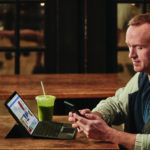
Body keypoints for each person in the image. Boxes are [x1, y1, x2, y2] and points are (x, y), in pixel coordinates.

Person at [68, 13, 150, 150]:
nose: (131, 55)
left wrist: (108, 134)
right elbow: (116, 104)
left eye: (139, 47)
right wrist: (94, 116)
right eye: (129, 46)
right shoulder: (142, 77)